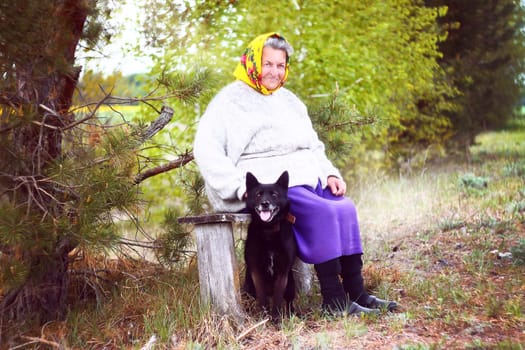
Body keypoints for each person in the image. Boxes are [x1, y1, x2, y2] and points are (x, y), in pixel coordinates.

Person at [193, 32, 397, 316]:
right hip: (269, 185)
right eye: (268, 64)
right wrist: (238, 187)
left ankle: (357, 291)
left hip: (307, 178)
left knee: (345, 208)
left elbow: (313, 145)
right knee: (323, 213)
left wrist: (329, 173)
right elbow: (205, 149)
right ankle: (334, 302)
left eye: (280, 65)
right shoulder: (229, 102)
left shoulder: (290, 101)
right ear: (252, 62)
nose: (275, 72)